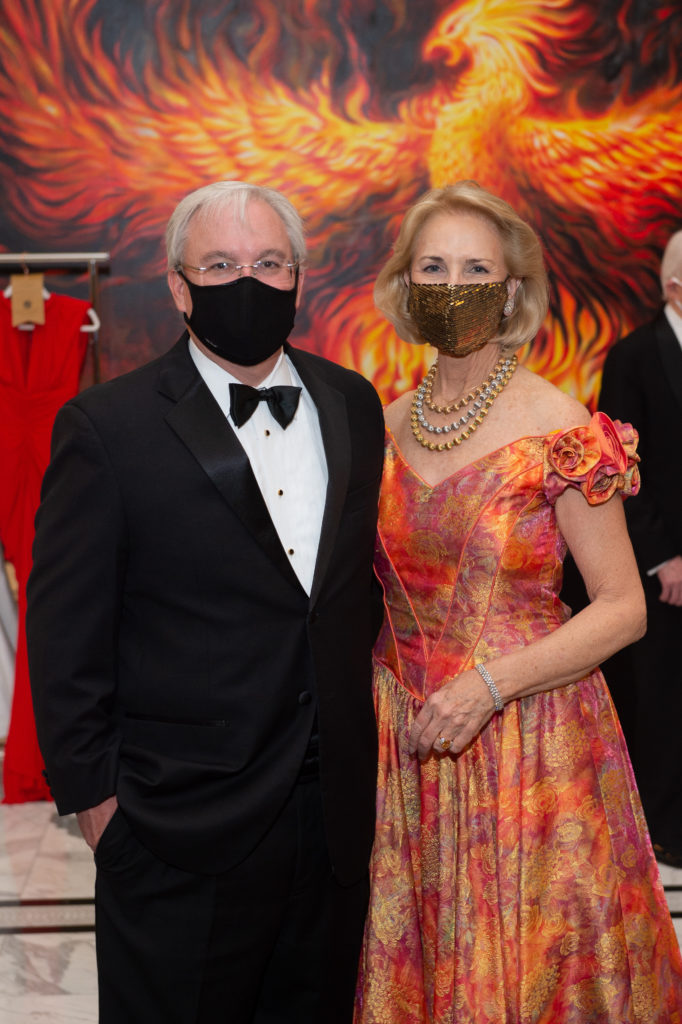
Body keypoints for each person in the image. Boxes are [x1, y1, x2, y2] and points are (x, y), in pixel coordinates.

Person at [26, 180, 384, 1024]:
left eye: (268, 262)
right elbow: (65, 638)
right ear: (180, 287)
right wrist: (103, 815)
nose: (247, 282)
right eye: (220, 264)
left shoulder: (351, 404)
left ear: (300, 278)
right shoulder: (105, 428)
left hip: (330, 824)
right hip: (176, 831)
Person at [354, 181, 682, 1023]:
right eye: (433, 264)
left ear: (510, 293)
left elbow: (621, 606)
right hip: (412, 751)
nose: (452, 283)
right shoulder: (378, 427)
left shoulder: (562, 425)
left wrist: (490, 685)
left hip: (531, 742)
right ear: (403, 283)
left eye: (475, 268)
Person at [598, 229, 682, 869]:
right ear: (674, 287)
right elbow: (623, 468)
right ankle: (664, 829)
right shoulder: (633, 356)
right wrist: (662, 557)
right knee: (663, 699)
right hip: (663, 572)